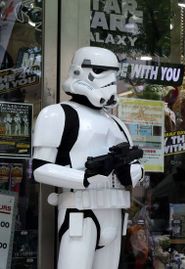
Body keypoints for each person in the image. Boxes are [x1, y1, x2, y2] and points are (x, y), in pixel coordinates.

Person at [32, 47, 144, 269]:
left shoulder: (117, 123)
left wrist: (131, 173)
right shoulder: (58, 114)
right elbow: (40, 169)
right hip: (80, 213)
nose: (110, 81)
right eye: (101, 71)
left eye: (114, 74)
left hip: (114, 214)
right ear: (78, 72)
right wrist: (85, 178)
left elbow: (134, 165)